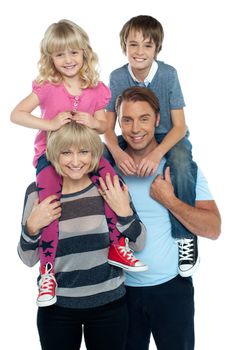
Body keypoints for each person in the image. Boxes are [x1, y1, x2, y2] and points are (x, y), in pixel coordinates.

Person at [11, 19, 147, 307]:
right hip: (50, 157)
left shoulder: (96, 89)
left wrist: (94, 123)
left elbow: (102, 126)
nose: (68, 60)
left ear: (85, 52)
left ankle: (117, 246)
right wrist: (48, 123)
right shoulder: (48, 87)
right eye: (60, 54)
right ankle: (48, 271)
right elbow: (17, 114)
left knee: (113, 184)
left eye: (73, 52)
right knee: (49, 205)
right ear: (50, 58)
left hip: (89, 157)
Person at [109, 86, 221, 350]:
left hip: (172, 290)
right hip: (118, 292)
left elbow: (213, 229)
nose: (136, 128)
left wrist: (169, 200)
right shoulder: (107, 168)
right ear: (118, 122)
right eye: (127, 119)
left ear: (158, 119)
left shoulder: (180, 168)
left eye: (144, 118)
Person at [17, 121, 146, 350]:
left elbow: (139, 243)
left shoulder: (110, 185)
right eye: (66, 152)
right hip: (57, 309)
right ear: (53, 154)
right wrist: (32, 227)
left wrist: (124, 212)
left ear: (94, 153)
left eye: (84, 151)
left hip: (110, 305)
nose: (75, 162)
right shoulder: (37, 193)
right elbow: (28, 259)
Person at [104, 15, 199, 277]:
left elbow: (179, 126)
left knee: (180, 162)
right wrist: (118, 152)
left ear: (157, 48)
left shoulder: (168, 75)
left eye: (147, 45)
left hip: (168, 136)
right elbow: (107, 127)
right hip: (129, 135)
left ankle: (185, 236)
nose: (139, 52)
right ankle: (113, 238)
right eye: (133, 44)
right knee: (98, 157)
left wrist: (158, 153)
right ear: (124, 46)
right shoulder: (117, 76)